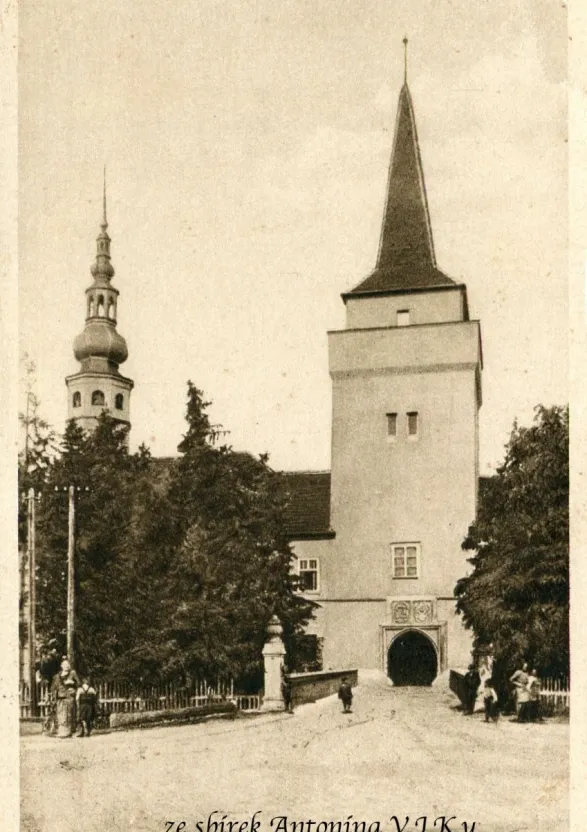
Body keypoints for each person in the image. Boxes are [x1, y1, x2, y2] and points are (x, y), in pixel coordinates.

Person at [51, 659, 80, 738]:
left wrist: (72, 683)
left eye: (68, 664)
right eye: (64, 664)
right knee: (61, 714)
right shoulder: (57, 676)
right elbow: (53, 688)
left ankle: (69, 731)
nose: (66, 666)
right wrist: (54, 697)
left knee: (69, 714)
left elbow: (79, 684)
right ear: (61, 666)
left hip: (69, 697)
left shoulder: (72, 673)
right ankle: (61, 731)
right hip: (60, 698)